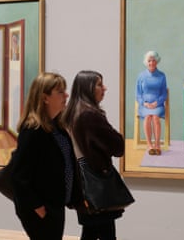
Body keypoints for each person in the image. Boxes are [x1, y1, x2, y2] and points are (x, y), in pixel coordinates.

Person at [11, 72, 77, 240]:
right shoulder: (33, 131)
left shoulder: (58, 127)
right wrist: (37, 207)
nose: (66, 95)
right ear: (45, 98)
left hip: (55, 204)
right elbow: (19, 176)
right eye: (60, 92)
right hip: (41, 208)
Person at [62, 70, 126, 240]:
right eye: (99, 84)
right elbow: (118, 146)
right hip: (94, 182)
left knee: (92, 230)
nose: (104, 88)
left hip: (80, 181)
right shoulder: (89, 115)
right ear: (87, 88)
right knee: (104, 232)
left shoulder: (71, 112)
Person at [136, 51, 168, 155]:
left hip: (157, 104)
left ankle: (157, 145)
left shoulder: (162, 76)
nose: (151, 63)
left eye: (153, 60)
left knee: (155, 117)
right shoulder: (141, 76)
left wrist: (156, 103)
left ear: (157, 61)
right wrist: (144, 103)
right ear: (146, 62)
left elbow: (164, 94)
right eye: (149, 61)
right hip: (144, 105)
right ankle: (150, 145)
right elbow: (138, 94)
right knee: (147, 117)